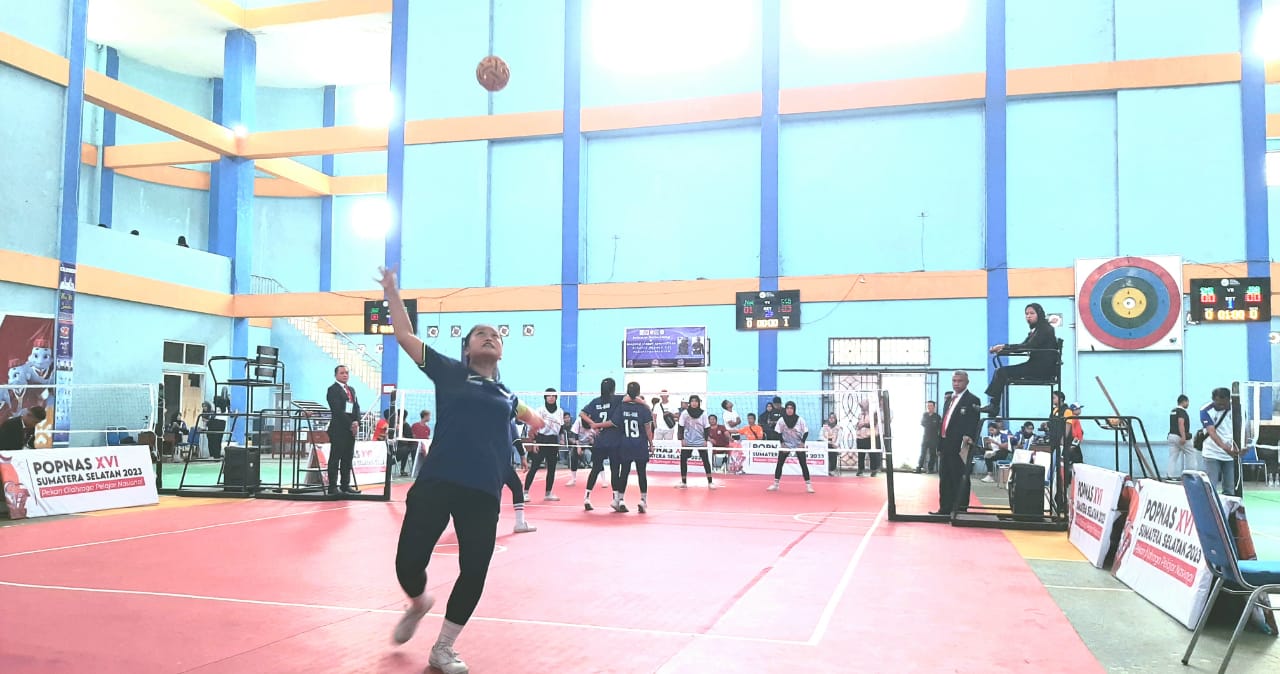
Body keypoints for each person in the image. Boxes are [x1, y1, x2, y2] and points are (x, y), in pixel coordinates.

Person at [378, 266, 544, 674]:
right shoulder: (450, 371)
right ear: (467, 349)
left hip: (483, 492)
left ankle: (443, 648)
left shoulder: (507, 395)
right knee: (407, 564)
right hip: (438, 482)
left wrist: (536, 422)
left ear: (500, 352)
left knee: (474, 570)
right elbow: (405, 336)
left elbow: (530, 416)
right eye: (480, 334)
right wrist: (392, 293)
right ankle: (419, 602)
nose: (490, 337)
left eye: (496, 335)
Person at [980, 303, 1058, 415]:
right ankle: (993, 406)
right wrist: (1003, 349)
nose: (1028, 316)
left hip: (1041, 369)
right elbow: (1023, 345)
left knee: (1001, 372)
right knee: (1001, 372)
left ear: (1039, 314)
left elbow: (1028, 346)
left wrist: (1004, 347)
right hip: (1035, 366)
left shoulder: (1045, 329)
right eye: (1026, 314)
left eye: (1032, 313)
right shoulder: (1037, 330)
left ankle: (994, 406)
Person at [933, 372, 982, 516]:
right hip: (945, 443)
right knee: (945, 477)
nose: (956, 383)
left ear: (967, 382)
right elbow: (944, 423)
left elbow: (973, 423)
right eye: (954, 380)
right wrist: (939, 445)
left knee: (959, 477)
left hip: (960, 446)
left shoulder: (972, 400)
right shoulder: (949, 400)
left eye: (960, 381)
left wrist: (968, 439)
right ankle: (945, 509)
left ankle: (960, 510)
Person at [610, 381, 654, 513]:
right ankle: (643, 500)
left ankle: (620, 499)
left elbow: (615, 424)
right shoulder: (644, 408)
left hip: (625, 444)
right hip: (640, 444)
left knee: (624, 471)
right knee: (641, 473)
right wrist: (651, 444)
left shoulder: (621, 406)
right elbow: (648, 428)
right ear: (639, 392)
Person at [580, 378, 623, 511]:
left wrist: (593, 424)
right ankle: (616, 499)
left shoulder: (596, 401)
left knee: (595, 469)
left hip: (599, 441)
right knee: (615, 470)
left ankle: (587, 497)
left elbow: (582, 413)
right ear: (613, 388)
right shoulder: (617, 399)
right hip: (614, 441)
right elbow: (632, 397)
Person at [325, 365, 361, 495]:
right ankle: (332, 487)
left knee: (347, 458)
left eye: (346, 373)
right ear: (336, 375)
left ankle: (345, 485)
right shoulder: (332, 390)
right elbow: (337, 410)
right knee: (335, 458)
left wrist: (357, 422)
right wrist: (350, 424)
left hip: (350, 431)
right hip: (338, 429)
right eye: (342, 373)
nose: (345, 375)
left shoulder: (351, 390)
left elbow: (356, 407)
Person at [522, 388, 564, 501]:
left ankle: (548, 493)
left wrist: (561, 439)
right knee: (534, 467)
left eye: (553, 395)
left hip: (553, 441)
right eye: (549, 395)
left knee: (552, 468)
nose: (551, 397)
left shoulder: (560, 411)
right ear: (545, 397)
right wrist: (535, 442)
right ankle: (525, 492)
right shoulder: (540, 410)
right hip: (541, 439)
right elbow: (534, 426)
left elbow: (561, 428)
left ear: (556, 397)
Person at [1200, 387, 1240, 496]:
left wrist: (1242, 447)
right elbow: (1212, 432)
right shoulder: (1205, 410)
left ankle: (1228, 506)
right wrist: (1226, 449)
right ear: (1213, 399)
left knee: (1230, 489)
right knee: (1210, 488)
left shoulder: (1237, 409)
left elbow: (1244, 429)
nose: (1221, 406)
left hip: (1230, 456)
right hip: (1212, 453)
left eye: (1224, 404)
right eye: (1218, 404)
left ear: (1229, 399)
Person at [767, 401, 814, 493]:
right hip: (786, 443)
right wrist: (782, 443)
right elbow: (778, 432)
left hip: (798, 443)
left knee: (803, 464)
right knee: (779, 463)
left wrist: (802, 443)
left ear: (794, 409)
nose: (789, 410)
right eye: (788, 408)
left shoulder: (800, 420)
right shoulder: (781, 420)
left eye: (791, 408)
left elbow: (806, 432)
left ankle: (809, 485)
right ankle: (775, 485)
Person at [677, 395, 717, 489]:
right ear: (689, 403)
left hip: (700, 440)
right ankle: (683, 482)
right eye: (692, 401)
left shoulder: (703, 413)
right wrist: (682, 439)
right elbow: (680, 426)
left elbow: (706, 427)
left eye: (696, 401)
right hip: (687, 439)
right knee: (683, 459)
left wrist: (705, 440)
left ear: (699, 403)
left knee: (705, 460)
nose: (694, 403)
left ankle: (710, 482)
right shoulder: (685, 413)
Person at [1167, 394, 1195, 477]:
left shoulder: (1173, 411)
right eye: (1187, 402)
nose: (1188, 404)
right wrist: (1183, 436)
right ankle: (1191, 475)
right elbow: (1181, 423)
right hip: (1180, 436)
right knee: (1191, 454)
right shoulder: (1182, 412)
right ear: (1184, 401)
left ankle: (1170, 475)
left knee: (1172, 457)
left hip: (1171, 436)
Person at [916, 402, 942, 474]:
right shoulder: (925, 415)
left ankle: (930, 469)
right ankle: (919, 468)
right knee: (922, 453)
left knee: (932, 454)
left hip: (934, 438)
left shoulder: (937, 416)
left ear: (934, 407)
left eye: (930, 406)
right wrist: (931, 424)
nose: (929, 407)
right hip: (925, 437)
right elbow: (923, 423)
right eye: (928, 406)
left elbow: (938, 427)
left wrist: (929, 424)